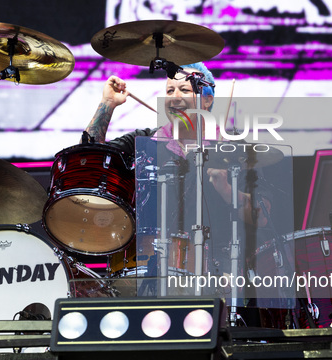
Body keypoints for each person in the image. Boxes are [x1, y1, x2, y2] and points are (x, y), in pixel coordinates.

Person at [83, 62, 272, 301]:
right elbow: (90, 158)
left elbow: (263, 216)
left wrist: (226, 188)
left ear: (207, 101)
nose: (175, 97)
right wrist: (107, 104)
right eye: (170, 91)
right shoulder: (144, 142)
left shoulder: (233, 145)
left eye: (184, 89)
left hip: (220, 271)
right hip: (149, 266)